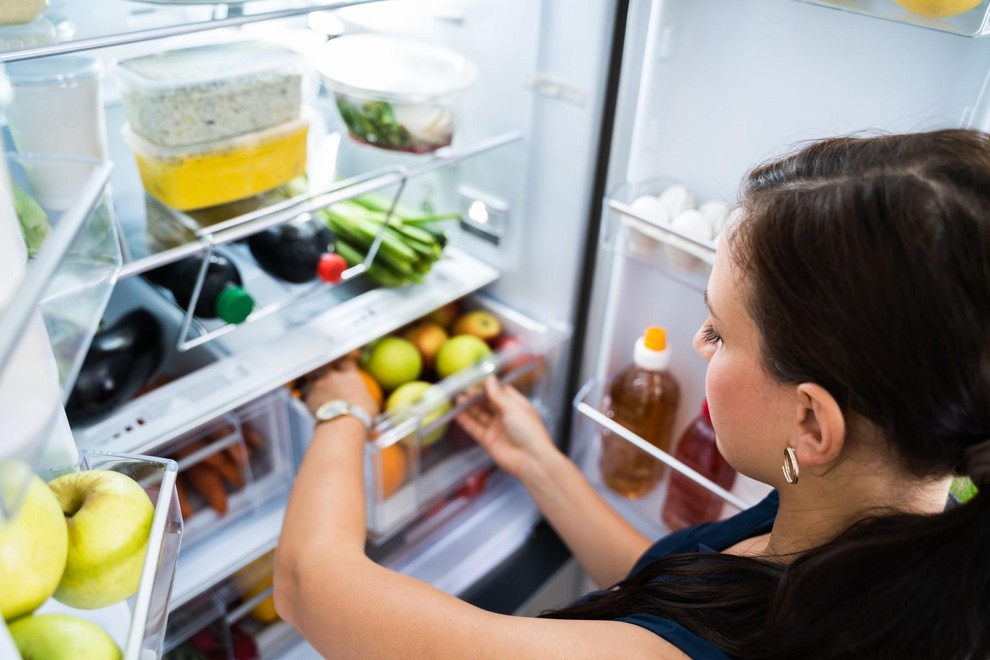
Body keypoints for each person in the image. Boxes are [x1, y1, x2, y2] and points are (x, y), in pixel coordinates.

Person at [274, 129, 990, 659]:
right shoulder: (880, 525)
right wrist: (541, 464)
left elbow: (307, 585)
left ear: (811, 419)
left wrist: (344, 408)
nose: (699, 346)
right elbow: (691, 588)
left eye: (717, 330)